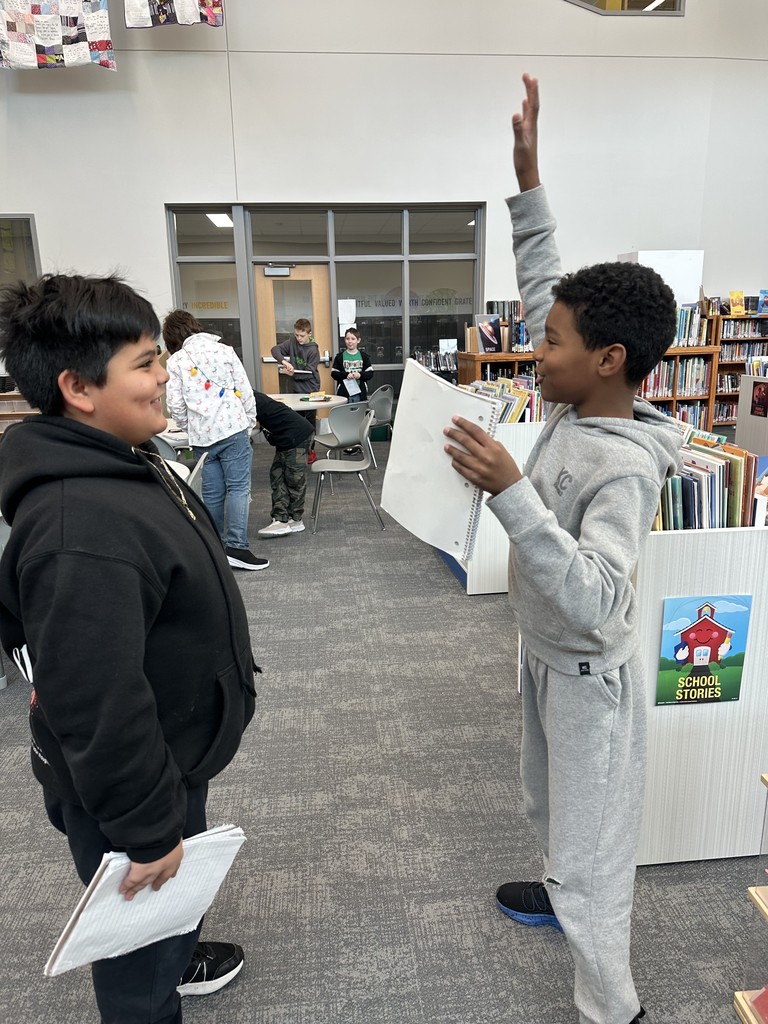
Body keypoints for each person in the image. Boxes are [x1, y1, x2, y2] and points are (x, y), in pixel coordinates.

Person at [444, 75, 682, 1024]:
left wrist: (510, 494)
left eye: (550, 344)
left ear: (609, 360)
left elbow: (601, 602)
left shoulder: (621, 466)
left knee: (593, 861)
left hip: (589, 674)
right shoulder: (573, 397)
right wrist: (529, 183)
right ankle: (558, 886)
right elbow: (551, 285)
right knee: (551, 817)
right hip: (543, 660)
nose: (534, 352)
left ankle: (614, 1007)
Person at [0, 273, 257, 1024]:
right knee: (137, 964)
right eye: (146, 363)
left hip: (173, 751)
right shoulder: (80, 523)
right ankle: (154, 981)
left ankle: (179, 946)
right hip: (132, 777)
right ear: (80, 388)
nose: (166, 374)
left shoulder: (121, 456)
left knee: (173, 898)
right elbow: (94, 697)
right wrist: (146, 829)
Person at [163, 310, 268, 572]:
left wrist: (191, 427)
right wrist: (249, 421)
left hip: (202, 437)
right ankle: (237, 548)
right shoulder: (223, 350)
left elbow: (174, 405)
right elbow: (244, 389)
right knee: (238, 489)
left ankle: (215, 549)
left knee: (211, 492)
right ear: (194, 326)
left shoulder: (175, 362)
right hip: (233, 429)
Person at [253, 390, 314, 538]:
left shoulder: (246, 398)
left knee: (294, 479)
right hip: (286, 438)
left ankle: (295, 519)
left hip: (297, 436)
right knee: (277, 475)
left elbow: (251, 423)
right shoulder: (251, 396)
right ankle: (281, 517)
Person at [331, 328, 373, 402]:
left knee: (359, 413)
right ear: (344, 340)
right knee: (345, 412)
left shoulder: (364, 356)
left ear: (358, 340)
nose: (350, 341)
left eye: (353, 339)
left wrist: (360, 375)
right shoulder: (339, 357)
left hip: (360, 392)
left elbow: (370, 373)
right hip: (344, 393)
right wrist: (345, 375)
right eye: (348, 339)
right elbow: (334, 373)